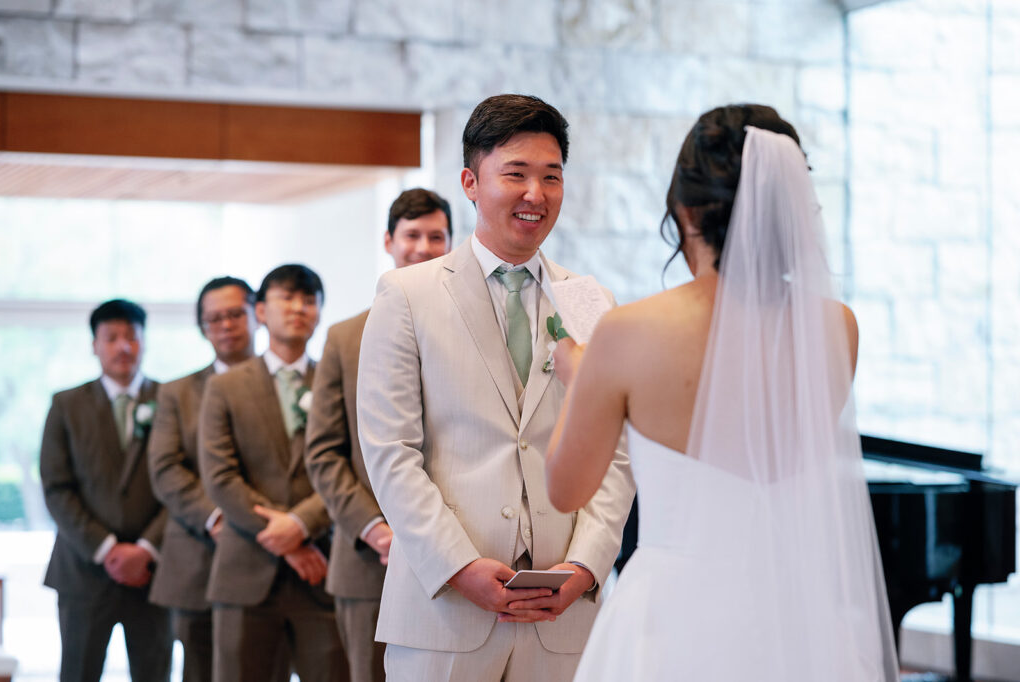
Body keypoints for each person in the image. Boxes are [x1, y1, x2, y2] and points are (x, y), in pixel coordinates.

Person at [545, 104, 900, 680]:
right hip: (795, 615)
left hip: (672, 617)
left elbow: (566, 489)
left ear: (685, 211)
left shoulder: (628, 332)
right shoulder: (837, 327)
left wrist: (581, 378)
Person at [357, 94, 634, 682]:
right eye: (516, 174)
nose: (536, 194)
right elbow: (390, 452)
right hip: (445, 614)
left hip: (561, 617)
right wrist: (458, 566)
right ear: (471, 182)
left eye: (551, 177)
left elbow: (616, 452)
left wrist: (585, 567)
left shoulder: (589, 300)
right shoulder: (407, 294)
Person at [305, 188, 453, 682]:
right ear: (389, 241)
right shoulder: (346, 337)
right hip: (371, 559)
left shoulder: (468, 327)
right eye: (412, 235)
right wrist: (376, 529)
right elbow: (324, 453)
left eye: (437, 236)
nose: (424, 247)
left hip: (459, 554)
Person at [199, 265, 347, 682]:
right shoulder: (225, 387)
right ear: (261, 311)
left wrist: (302, 523)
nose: (298, 308)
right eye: (287, 297)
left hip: (324, 570)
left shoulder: (339, 381)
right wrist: (285, 538)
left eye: (309, 300)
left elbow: (353, 465)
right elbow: (220, 476)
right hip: (246, 569)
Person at [40, 298, 172, 682]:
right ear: (94, 345)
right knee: (79, 672)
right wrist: (108, 549)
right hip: (83, 571)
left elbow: (183, 483)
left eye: (132, 336)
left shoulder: (172, 401)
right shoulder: (66, 405)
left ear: (145, 342)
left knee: (155, 673)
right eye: (111, 337)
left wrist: (145, 548)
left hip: (154, 571)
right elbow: (56, 487)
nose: (123, 346)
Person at [147, 276, 265, 682]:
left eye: (235, 314)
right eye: (214, 319)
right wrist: (218, 518)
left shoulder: (284, 381)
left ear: (257, 314)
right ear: (202, 328)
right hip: (200, 556)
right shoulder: (176, 393)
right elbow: (166, 469)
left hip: (274, 556)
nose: (226, 325)